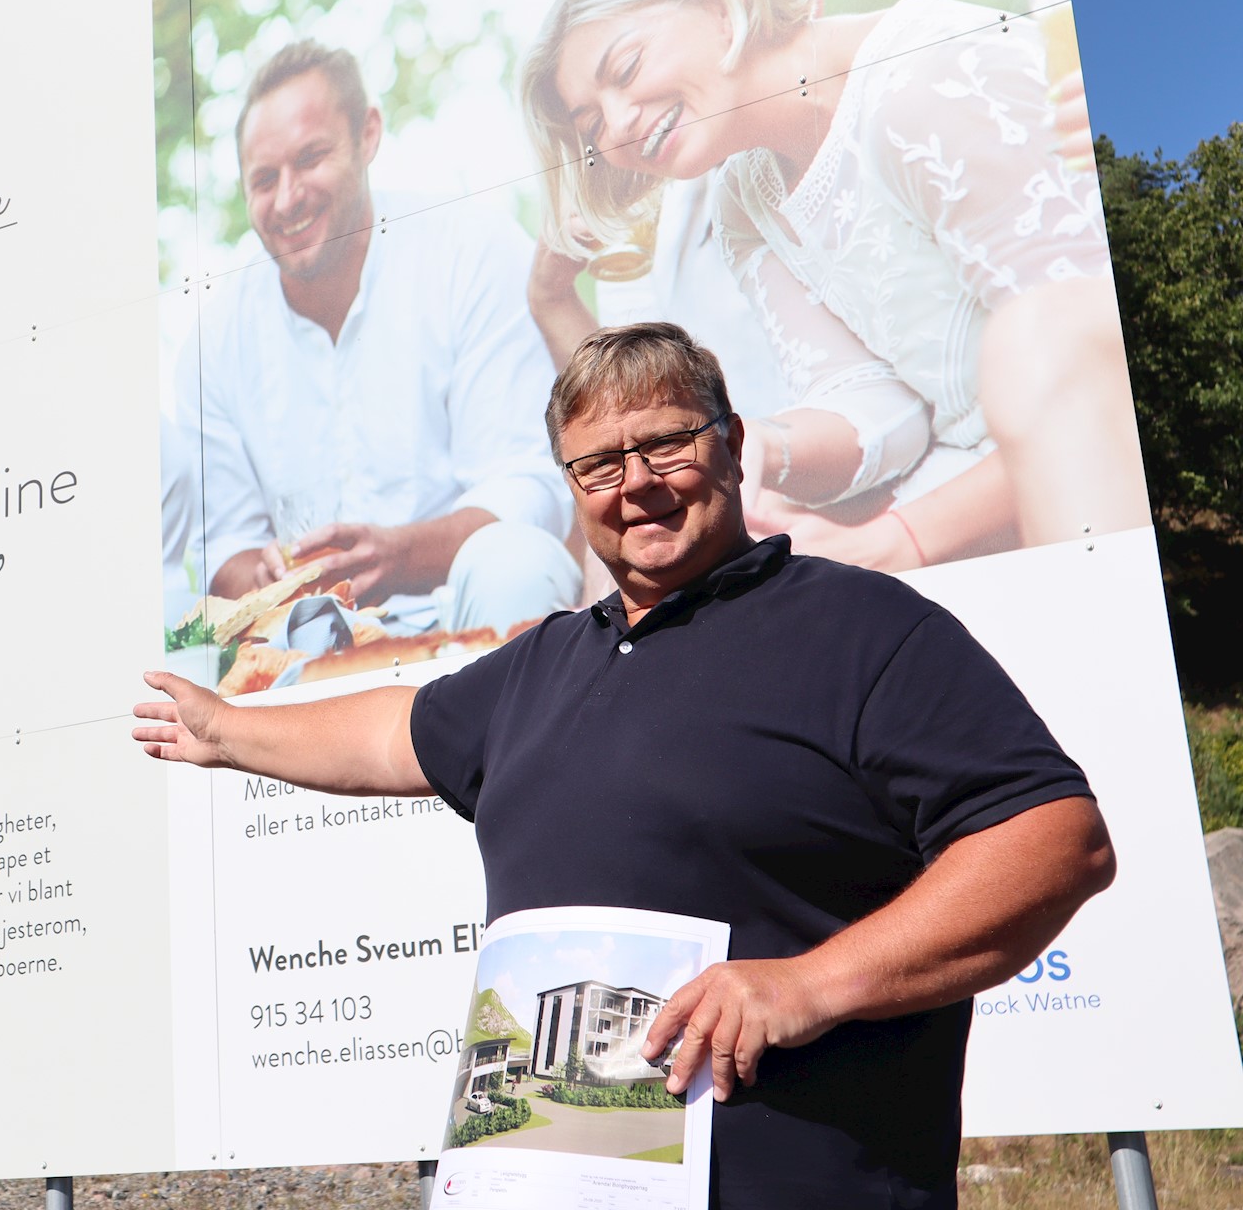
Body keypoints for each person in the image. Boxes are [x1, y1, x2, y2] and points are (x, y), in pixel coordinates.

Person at [133, 322, 1115, 1207]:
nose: (636, 484)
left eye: (667, 444)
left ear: (730, 443)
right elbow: (395, 733)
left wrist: (809, 983)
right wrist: (226, 731)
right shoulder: (547, 663)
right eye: (598, 464)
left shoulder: (863, 627)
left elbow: (1053, 840)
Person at [517, 0, 1148, 571]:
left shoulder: (925, 76)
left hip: (1100, 482)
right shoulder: (745, 194)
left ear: (722, 0)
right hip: (972, 484)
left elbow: (1087, 386)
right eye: (593, 125)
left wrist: (902, 538)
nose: (619, 124)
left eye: (625, 70)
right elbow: (870, 403)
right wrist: (763, 442)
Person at [170, 39, 579, 643]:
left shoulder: (470, 249)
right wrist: (264, 574)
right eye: (263, 179)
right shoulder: (215, 340)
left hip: (463, 609)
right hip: (300, 643)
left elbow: (529, 486)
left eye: (310, 158)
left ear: (367, 136)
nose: (287, 198)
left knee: (515, 561)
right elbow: (221, 548)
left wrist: (399, 556)